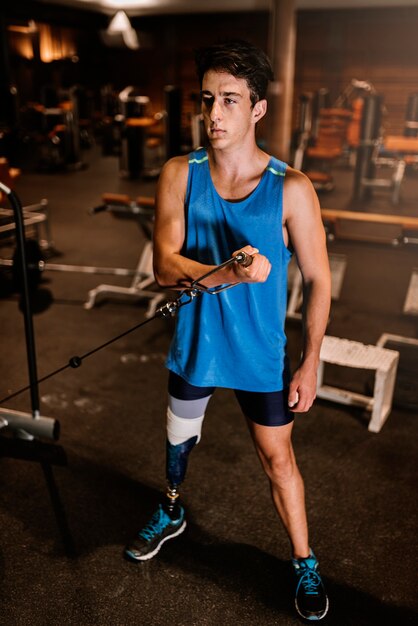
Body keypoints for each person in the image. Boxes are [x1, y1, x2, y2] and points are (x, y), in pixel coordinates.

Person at [125, 39, 331, 622]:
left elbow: (318, 280)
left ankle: (304, 560)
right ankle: (171, 508)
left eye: (231, 101)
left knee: (278, 460)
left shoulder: (292, 188)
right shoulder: (178, 174)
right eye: (208, 99)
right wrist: (232, 271)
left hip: (260, 354)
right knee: (177, 443)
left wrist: (311, 359)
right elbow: (166, 267)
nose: (214, 114)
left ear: (258, 109)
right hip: (196, 347)